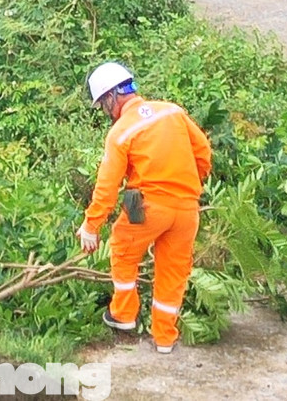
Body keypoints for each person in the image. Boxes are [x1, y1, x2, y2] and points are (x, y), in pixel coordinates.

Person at [78, 61, 212, 355]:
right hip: (187, 209)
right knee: (173, 272)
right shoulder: (172, 111)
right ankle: (164, 338)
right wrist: (190, 183)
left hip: (148, 206)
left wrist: (91, 225)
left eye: (103, 105)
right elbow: (203, 152)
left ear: (111, 96)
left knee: (123, 247)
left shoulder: (121, 132)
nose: (105, 112)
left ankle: (123, 314)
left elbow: (108, 185)